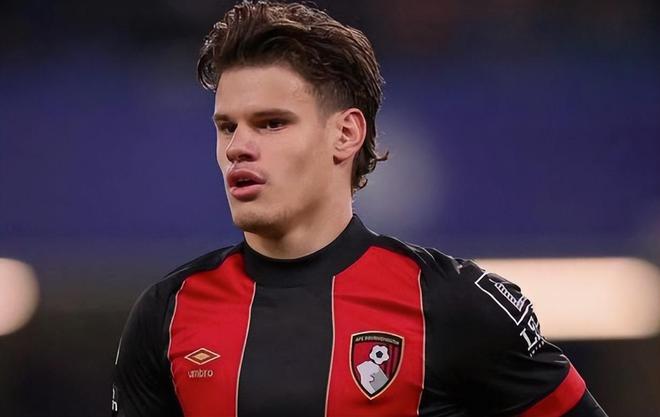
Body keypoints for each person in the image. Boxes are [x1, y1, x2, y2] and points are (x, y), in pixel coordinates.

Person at [111, 1, 608, 416]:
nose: (238, 147)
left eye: (271, 124)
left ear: (345, 134)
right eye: (227, 127)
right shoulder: (166, 313)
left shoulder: (452, 304)